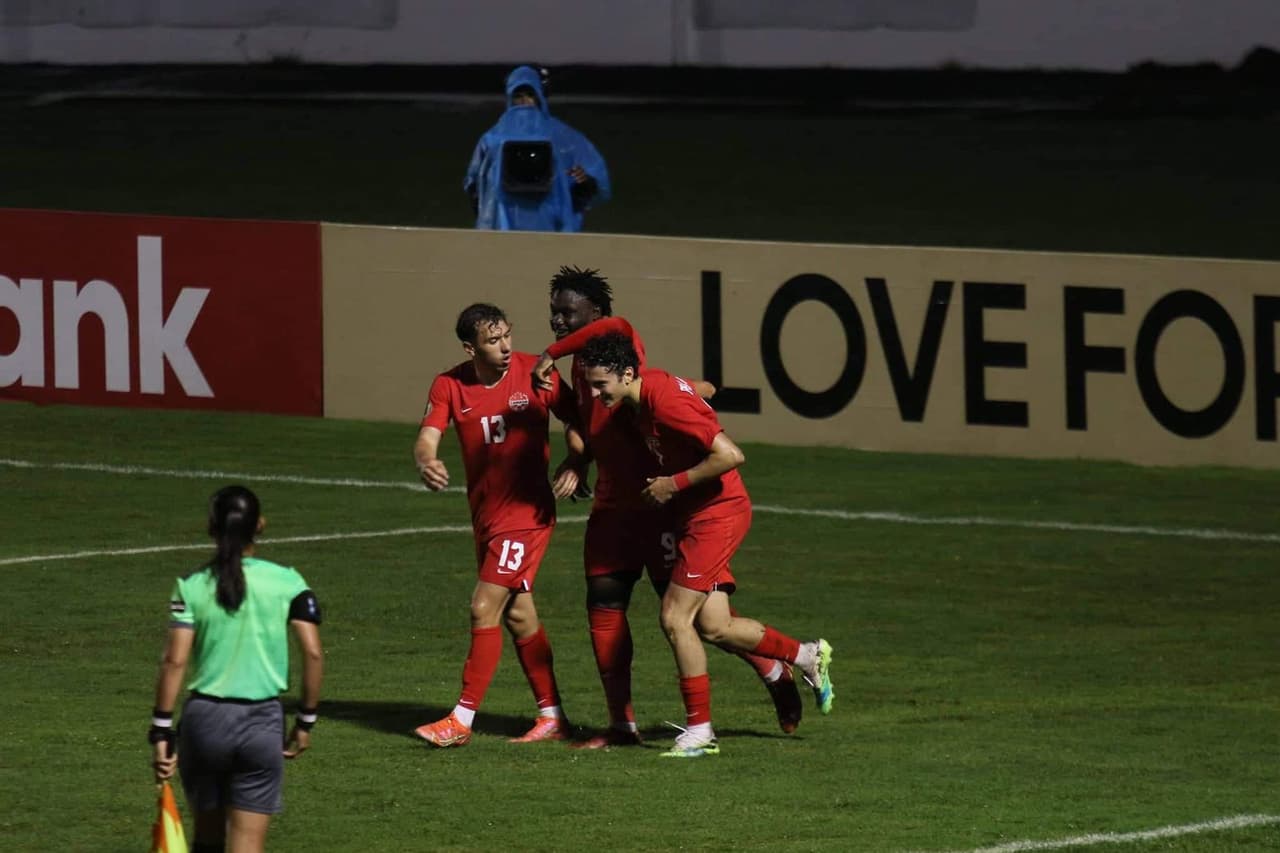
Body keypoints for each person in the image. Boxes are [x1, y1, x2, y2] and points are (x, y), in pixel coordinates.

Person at [532, 266, 804, 749]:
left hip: (660, 503)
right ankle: (623, 726)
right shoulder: (588, 367)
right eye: (553, 312)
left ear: (595, 314)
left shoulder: (620, 341)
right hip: (614, 508)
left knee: (700, 619)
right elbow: (581, 421)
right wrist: (578, 458)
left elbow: (670, 401)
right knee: (605, 605)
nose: (557, 321)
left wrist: (550, 354)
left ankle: (775, 667)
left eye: (567, 312)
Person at [576, 332, 834, 757]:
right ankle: (806, 656)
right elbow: (694, 390)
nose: (595, 392)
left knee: (675, 618)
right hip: (697, 514)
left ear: (627, 374)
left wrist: (671, 484)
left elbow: (731, 455)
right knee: (713, 624)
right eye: (590, 384)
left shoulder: (664, 401)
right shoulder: (645, 391)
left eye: (601, 384)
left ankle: (700, 732)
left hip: (717, 514)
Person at [413, 302, 583, 747]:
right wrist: (427, 460)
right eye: (493, 340)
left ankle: (461, 720)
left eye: (507, 335)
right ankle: (553, 716)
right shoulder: (449, 384)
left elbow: (579, 418)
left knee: (483, 607)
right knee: (519, 615)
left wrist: (577, 460)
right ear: (471, 348)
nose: (506, 346)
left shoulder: (534, 372)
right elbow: (428, 436)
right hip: (487, 518)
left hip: (526, 517)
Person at [148, 485, 324, 853]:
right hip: (261, 724)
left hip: (204, 723)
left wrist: (161, 729)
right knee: (246, 845)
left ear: (211, 527)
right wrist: (305, 721)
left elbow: (175, 660)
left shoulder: (191, 586)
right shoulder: (288, 582)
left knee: (206, 840)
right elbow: (313, 654)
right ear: (260, 525)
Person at [464, 65, 611, 232]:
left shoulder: (493, 138)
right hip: (543, 224)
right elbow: (474, 183)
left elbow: (473, 185)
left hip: (524, 223)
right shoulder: (562, 136)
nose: (524, 101)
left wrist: (583, 181)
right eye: (518, 96)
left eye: (529, 95)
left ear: (539, 97)